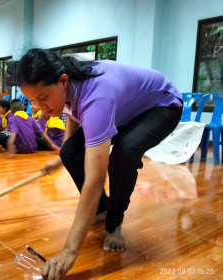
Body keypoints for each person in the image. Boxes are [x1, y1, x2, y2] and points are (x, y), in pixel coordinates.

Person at [17, 48, 183, 279]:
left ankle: (114, 223)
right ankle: (102, 210)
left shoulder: (97, 95)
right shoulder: (65, 83)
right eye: (33, 101)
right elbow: (72, 113)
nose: (40, 107)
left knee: (123, 155)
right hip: (125, 109)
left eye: (42, 98)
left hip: (160, 106)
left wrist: (69, 252)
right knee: (70, 152)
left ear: (63, 81)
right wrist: (61, 157)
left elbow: (95, 180)